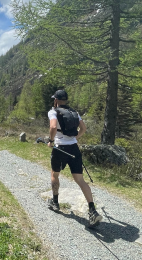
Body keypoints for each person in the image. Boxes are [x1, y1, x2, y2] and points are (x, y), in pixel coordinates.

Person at [47, 89, 102, 227]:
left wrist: (51, 140)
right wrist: (75, 138)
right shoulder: (74, 113)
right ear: (66, 100)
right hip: (74, 148)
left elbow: (53, 126)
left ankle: (55, 202)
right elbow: (83, 128)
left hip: (60, 149)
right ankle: (92, 211)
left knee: (55, 174)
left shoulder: (53, 111)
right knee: (80, 180)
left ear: (56, 100)